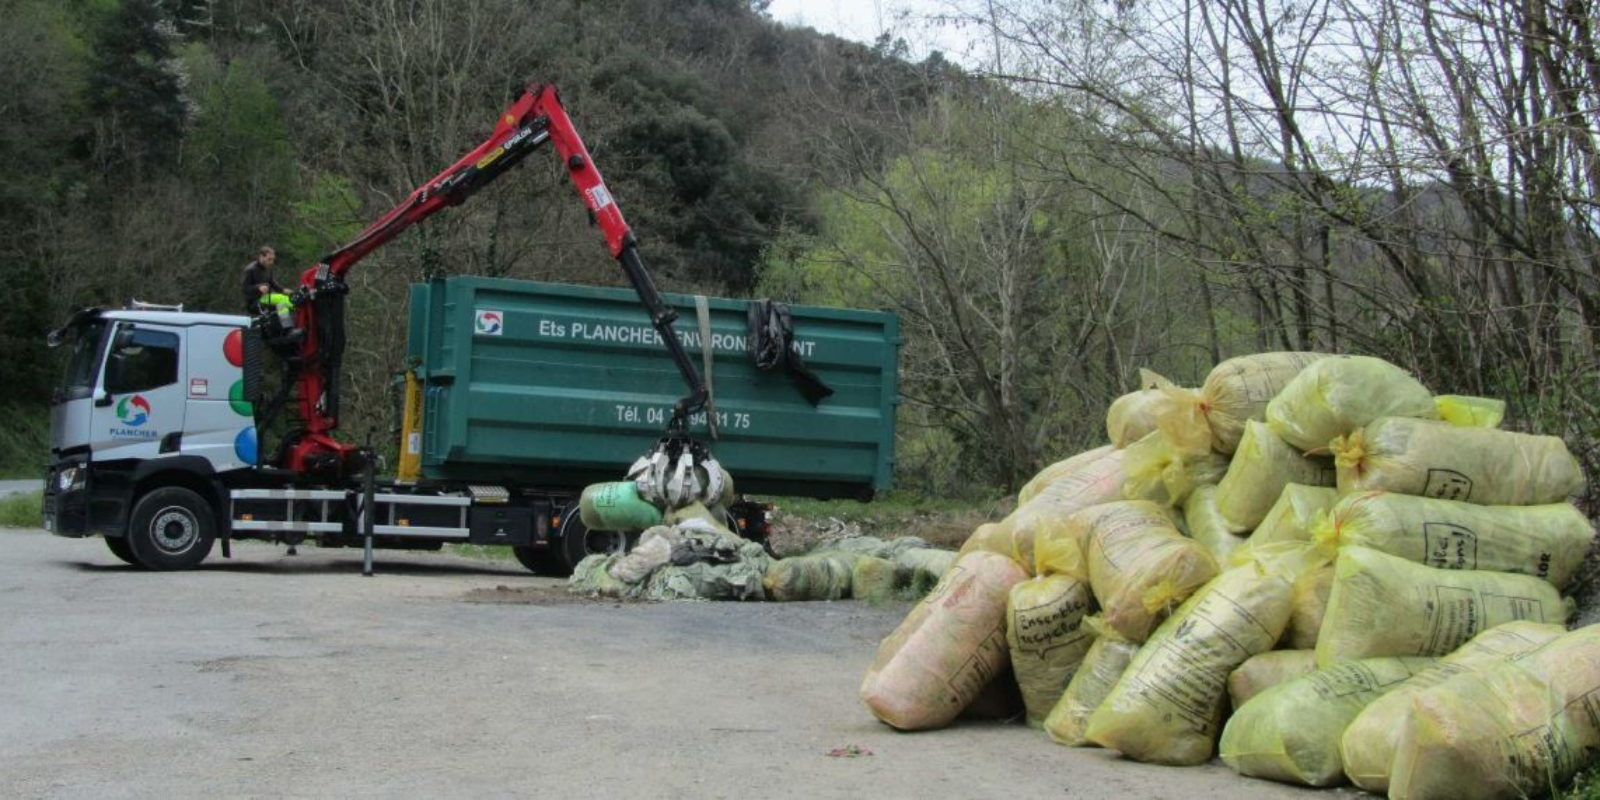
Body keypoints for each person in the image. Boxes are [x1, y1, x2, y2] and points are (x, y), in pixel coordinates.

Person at [241, 246, 286, 315]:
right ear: (261, 257)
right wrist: (258, 288)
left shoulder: (268, 269)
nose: (271, 262)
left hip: (266, 298)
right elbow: (245, 289)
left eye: (273, 259)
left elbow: (272, 283)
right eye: (269, 259)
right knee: (281, 304)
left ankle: (286, 325)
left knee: (285, 302)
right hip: (254, 302)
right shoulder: (250, 270)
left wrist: (283, 290)